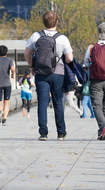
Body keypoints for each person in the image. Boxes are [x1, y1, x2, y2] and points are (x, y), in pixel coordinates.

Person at [24, 10, 73, 141]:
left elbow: (27, 53)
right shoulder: (62, 38)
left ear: (44, 22)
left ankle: (43, 133)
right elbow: (69, 58)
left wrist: (31, 66)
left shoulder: (36, 36)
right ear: (57, 22)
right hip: (58, 73)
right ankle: (61, 132)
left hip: (41, 73)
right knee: (58, 103)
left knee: (42, 102)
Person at [83, 21, 105, 141]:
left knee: (96, 106)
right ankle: (103, 132)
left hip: (95, 80)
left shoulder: (91, 47)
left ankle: (103, 127)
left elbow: (86, 63)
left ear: (98, 33)